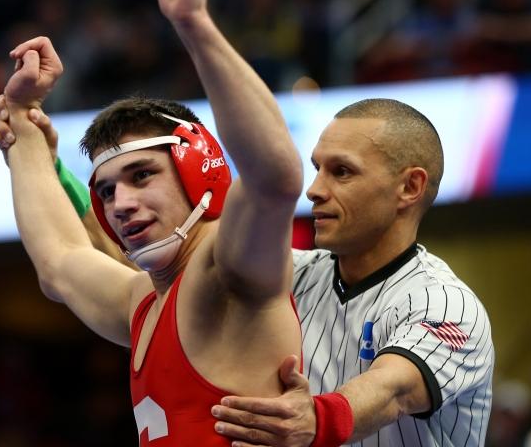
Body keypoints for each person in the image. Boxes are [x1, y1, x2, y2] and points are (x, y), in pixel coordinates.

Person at [0, 0, 304, 445]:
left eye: (141, 176)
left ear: (198, 168)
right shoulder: (141, 302)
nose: (121, 204)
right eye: (107, 191)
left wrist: (194, 23)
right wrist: (22, 118)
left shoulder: (227, 270)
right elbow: (59, 261)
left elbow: (274, 179)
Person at [208, 99, 495, 446]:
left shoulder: (448, 305)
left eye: (341, 171)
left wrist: (316, 418)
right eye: (317, 168)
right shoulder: (288, 276)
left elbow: (393, 391)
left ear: (410, 187)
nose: (314, 190)